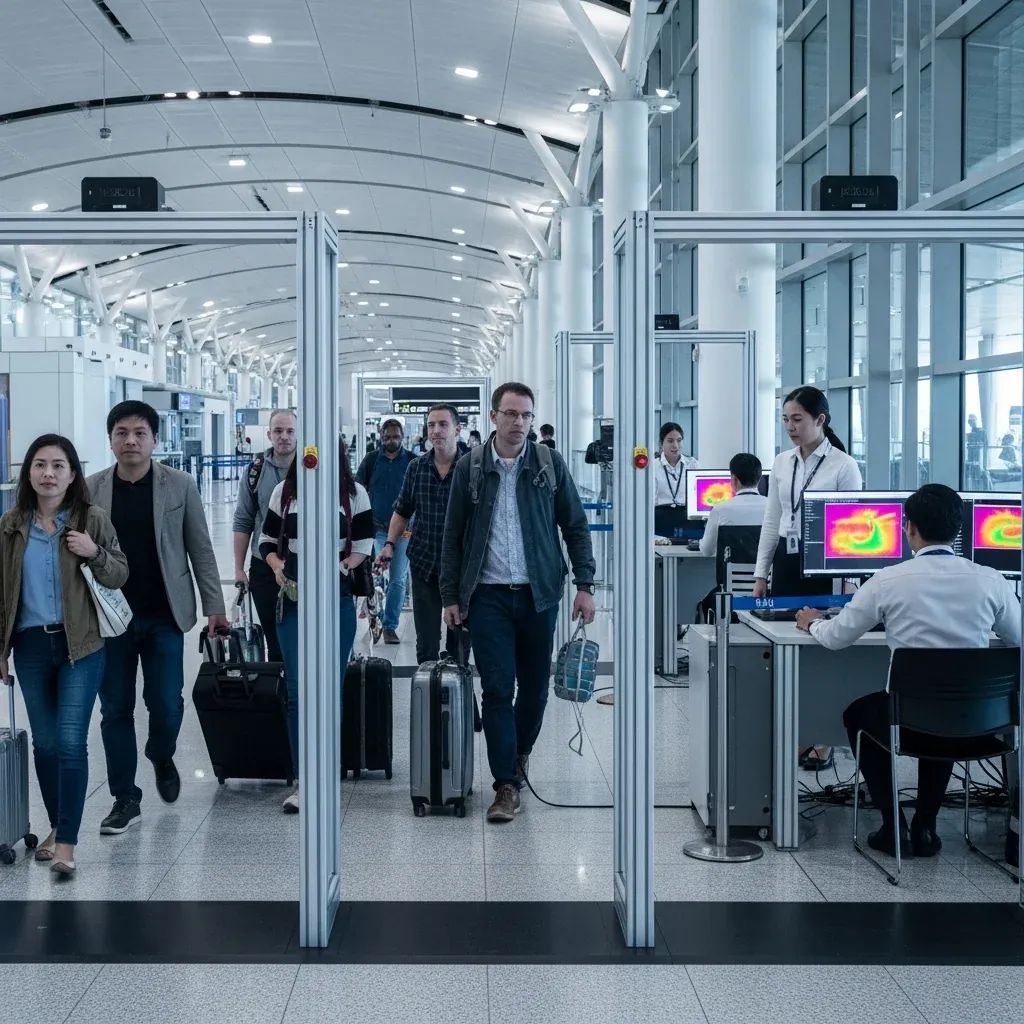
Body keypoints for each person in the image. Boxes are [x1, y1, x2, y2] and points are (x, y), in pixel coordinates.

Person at [796, 484, 1022, 860]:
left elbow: (836, 638)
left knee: (860, 715)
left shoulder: (887, 581)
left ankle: (892, 825)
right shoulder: (991, 581)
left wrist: (812, 623)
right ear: (958, 530)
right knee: (950, 706)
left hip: (906, 722)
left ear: (909, 528)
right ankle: (926, 825)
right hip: (977, 727)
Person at [440, 382, 596, 825]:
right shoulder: (471, 468)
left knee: (534, 689)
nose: (519, 423)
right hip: (487, 596)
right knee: (495, 689)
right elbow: (452, 538)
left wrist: (585, 583)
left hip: (539, 594)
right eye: (510, 414)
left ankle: (520, 753)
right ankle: (505, 783)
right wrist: (451, 595)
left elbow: (576, 525)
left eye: (526, 415)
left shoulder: (548, 464)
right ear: (493, 417)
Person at [87, 401, 227, 835]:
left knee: (166, 702)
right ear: (110, 440)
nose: (131, 440)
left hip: (165, 613)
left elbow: (200, 549)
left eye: (140, 433)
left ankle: (161, 753)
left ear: (154, 439)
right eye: (122, 433)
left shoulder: (179, 485)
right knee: (115, 709)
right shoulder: (91, 490)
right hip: (110, 619)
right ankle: (125, 797)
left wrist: (215, 607)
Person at [0, 435, 129, 877]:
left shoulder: (92, 519)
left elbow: (119, 572)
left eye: (58, 465)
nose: (48, 473)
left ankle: (67, 845)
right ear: (28, 473)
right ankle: (58, 826)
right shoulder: (11, 525)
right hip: (31, 647)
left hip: (82, 646)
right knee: (47, 743)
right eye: (40, 465)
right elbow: (2, 594)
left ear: (73, 474)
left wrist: (93, 553)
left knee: (71, 741)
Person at [260, 437, 372, 813]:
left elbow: (364, 545)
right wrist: (277, 569)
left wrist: (339, 569)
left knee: (330, 689)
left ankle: (327, 774)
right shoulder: (285, 492)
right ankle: (304, 780)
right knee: (297, 691)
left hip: (335, 600)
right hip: (292, 601)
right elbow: (267, 541)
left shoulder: (354, 493)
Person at [753, 386, 862, 772]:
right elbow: (772, 519)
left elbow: (851, 531)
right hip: (787, 557)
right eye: (786, 419)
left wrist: (850, 587)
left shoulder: (843, 466)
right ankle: (796, 729)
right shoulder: (782, 462)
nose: (790, 427)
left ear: (820, 420)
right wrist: (760, 572)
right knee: (789, 643)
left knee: (823, 648)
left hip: (826, 564)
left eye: (797, 419)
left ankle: (822, 738)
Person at [376, 404, 462, 664]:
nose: (435, 431)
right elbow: (402, 511)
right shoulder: (417, 467)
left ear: (457, 429)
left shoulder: (472, 467)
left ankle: (457, 700)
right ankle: (430, 701)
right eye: (431, 425)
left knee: (459, 647)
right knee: (426, 648)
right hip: (425, 565)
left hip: (461, 569)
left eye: (443, 425)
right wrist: (390, 544)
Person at [231, 409, 297, 661]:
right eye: (278, 431)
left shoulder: (312, 469)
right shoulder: (255, 472)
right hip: (264, 566)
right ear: (269, 434)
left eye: (290, 431)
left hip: (302, 565)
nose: (284, 437)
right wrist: (239, 568)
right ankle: (281, 694)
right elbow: (243, 520)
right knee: (274, 637)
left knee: (301, 634)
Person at [356, 418, 415, 644]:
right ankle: (375, 618)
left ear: (402, 437)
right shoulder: (371, 461)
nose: (391, 440)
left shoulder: (412, 461)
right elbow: (358, 490)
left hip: (405, 532)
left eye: (396, 436)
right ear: (381, 437)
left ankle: (390, 625)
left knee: (398, 579)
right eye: (388, 436)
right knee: (379, 575)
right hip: (378, 529)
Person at [698, 453, 767, 558]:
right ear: (759, 478)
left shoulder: (720, 510)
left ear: (734, 479)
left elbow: (707, 551)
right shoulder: (773, 508)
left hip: (732, 573)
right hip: (766, 573)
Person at [654, 422, 697, 508]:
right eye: (670, 441)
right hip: (660, 516)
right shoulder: (653, 467)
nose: (675, 445)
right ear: (661, 443)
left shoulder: (692, 464)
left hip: (686, 516)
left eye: (679, 440)